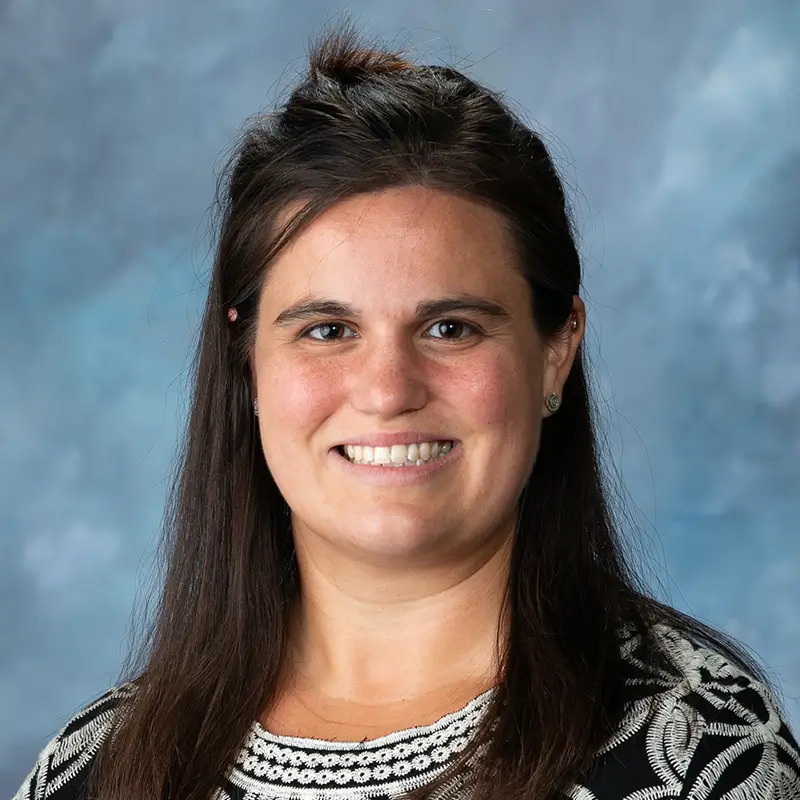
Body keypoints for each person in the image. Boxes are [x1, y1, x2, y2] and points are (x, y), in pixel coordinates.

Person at [14, 24, 800, 800]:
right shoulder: (98, 770)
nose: (388, 390)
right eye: (328, 330)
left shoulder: (702, 758)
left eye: (449, 329)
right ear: (245, 359)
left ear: (556, 350)